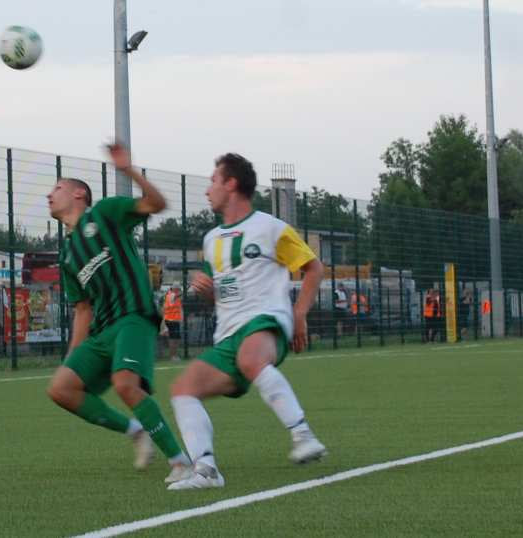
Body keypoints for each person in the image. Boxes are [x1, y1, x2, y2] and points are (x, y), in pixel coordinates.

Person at [167, 153, 326, 490]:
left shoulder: (271, 227)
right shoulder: (211, 240)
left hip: (267, 320)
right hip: (228, 333)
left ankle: (303, 436)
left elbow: (314, 268)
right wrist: (207, 290)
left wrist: (299, 316)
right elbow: (223, 291)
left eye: (213, 180)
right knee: (182, 389)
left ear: (232, 184)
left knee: (251, 358)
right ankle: (206, 471)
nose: (208, 189)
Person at [46, 143, 192, 484]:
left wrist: (128, 169)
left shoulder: (106, 213)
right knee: (61, 389)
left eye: (56, 187)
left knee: (125, 384)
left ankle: (181, 462)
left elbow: (157, 204)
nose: (49, 195)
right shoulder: (68, 254)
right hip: (102, 331)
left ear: (79, 193)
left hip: (133, 316)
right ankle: (135, 431)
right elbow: (83, 310)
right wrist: (72, 357)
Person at [162, 283, 183, 361]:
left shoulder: (175, 296)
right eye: (177, 289)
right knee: (173, 339)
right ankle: (172, 356)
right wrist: (183, 292)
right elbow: (176, 296)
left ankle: (175, 355)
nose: (178, 290)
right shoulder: (170, 295)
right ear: (174, 289)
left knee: (176, 339)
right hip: (171, 320)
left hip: (175, 320)